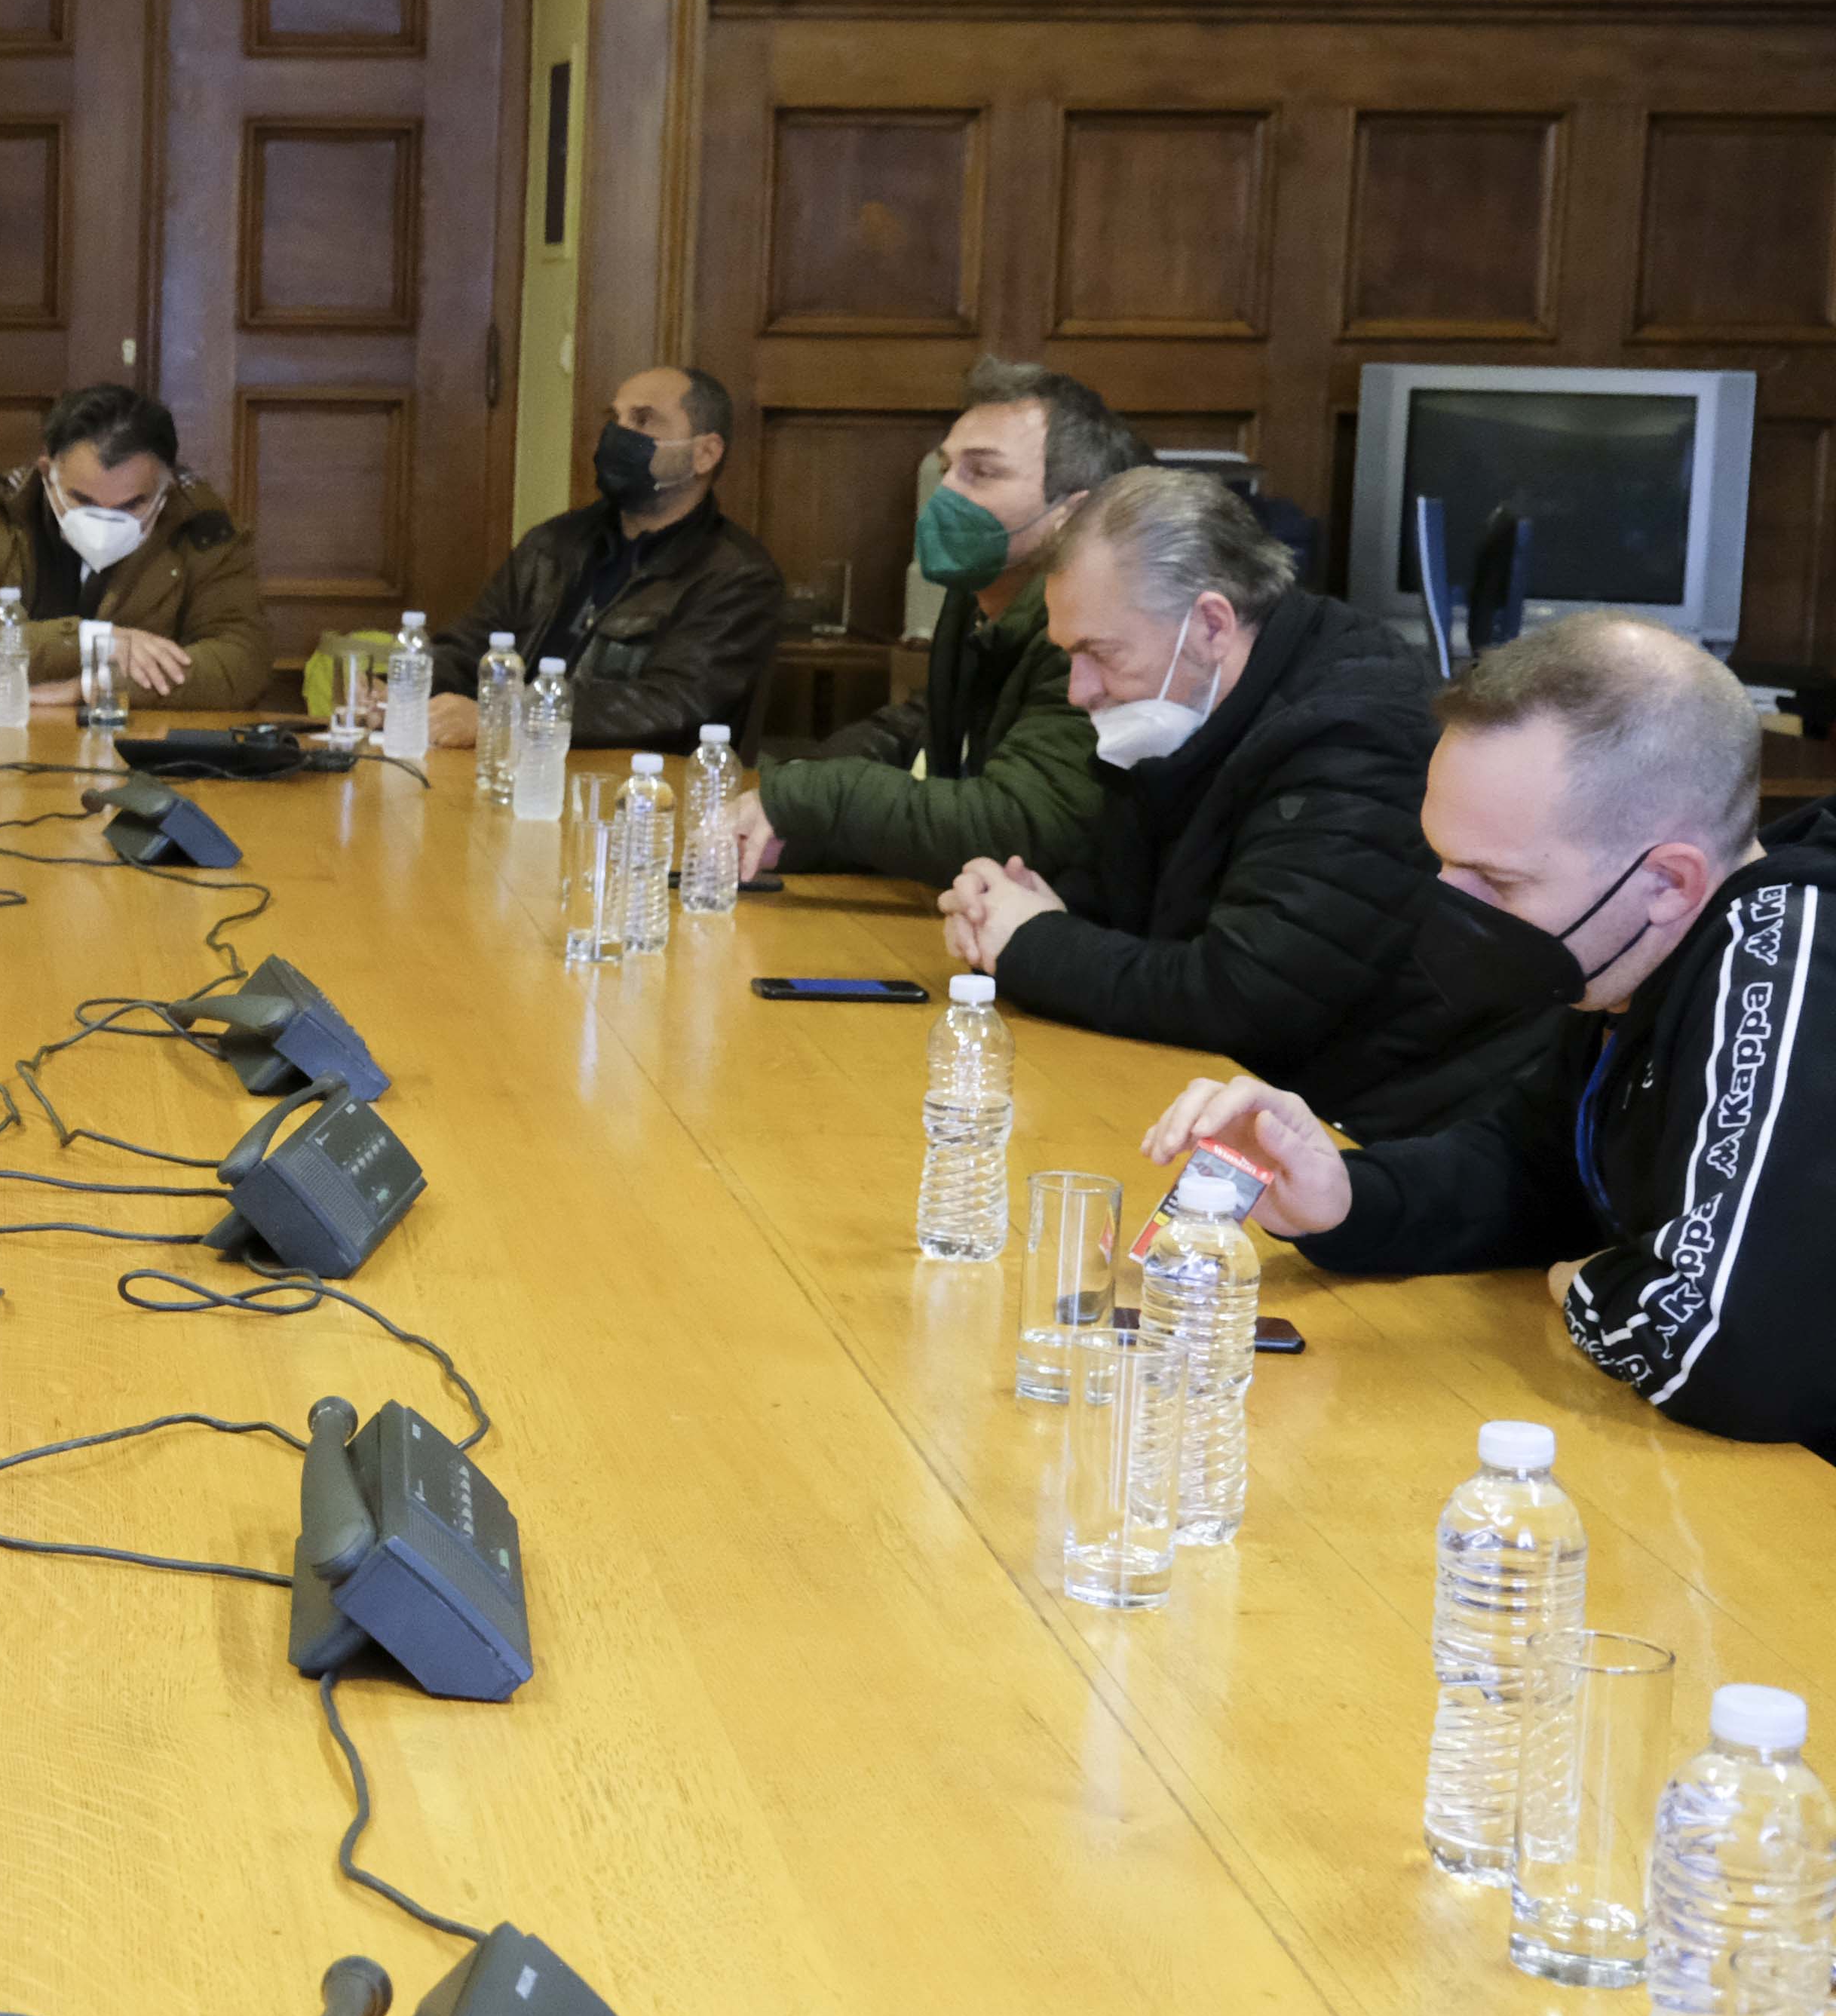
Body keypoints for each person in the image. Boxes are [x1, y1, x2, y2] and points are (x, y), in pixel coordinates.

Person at [1142, 617, 1831, 1449]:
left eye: (1497, 882)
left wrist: (1586, 1281)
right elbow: (1535, 1169)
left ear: (1667, 883)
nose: (1452, 910)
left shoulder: (1785, 954)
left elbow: (1731, 1354)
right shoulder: (1630, 961)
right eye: (1442, 861)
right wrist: (1346, 1198)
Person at [937, 467, 1541, 1138]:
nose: (1080, 691)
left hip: (1381, 1134)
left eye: (1099, 654)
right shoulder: (1178, 708)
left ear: (1211, 625)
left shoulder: (1356, 732)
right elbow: (1124, 910)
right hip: (1249, 1094)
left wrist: (1032, 944)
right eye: (1068, 657)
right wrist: (1020, 910)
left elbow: (1248, 998)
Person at [731, 359, 1140, 888]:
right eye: (946, 468)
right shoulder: (975, 600)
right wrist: (793, 799)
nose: (945, 492)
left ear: (1072, 513)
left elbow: (1019, 825)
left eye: (982, 472)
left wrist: (814, 797)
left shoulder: (1093, 639)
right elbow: (920, 732)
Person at [420, 366, 786, 753]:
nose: (618, 434)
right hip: (509, 766)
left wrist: (509, 717)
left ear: (705, 454)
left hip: (635, 781)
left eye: (642, 420)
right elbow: (472, 647)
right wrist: (398, 689)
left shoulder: (738, 576)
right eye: (615, 418)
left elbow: (671, 704)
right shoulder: (553, 544)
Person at [0, 382, 268, 711]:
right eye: (83, 500)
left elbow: (242, 663)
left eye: (131, 505)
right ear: (48, 473)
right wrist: (92, 641)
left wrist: (93, 687)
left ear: (166, 489)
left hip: (137, 742)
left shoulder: (205, 534)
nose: (105, 521)